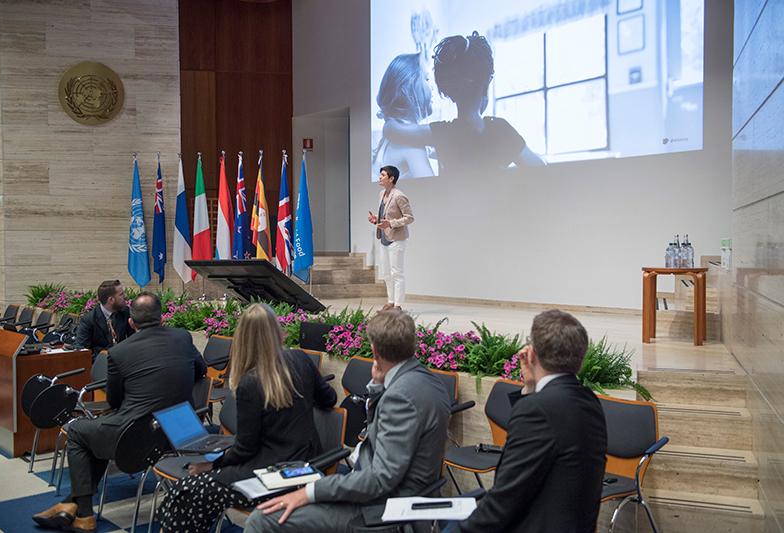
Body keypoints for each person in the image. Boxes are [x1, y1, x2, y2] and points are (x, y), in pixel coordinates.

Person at [244, 309, 451, 532]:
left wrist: (310, 491)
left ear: (375, 351)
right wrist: (377, 388)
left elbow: (379, 479)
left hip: (382, 510)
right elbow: (381, 438)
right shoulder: (430, 381)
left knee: (262, 518)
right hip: (396, 494)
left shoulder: (400, 397)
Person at [32, 292, 207, 533]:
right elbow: (200, 371)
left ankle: (83, 514)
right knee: (98, 434)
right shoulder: (182, 338)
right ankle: (71, 503)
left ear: (131, 323)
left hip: (138, 435)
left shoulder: (120, 351)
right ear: (162, 318)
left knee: (78, 431)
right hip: (181, 430)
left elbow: (114, 400)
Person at [157, 303, 338, 532]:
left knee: (186, 491)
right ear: (275, 330)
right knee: (191, 493)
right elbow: (329, 399)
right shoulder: (300, 359)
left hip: (271, 475)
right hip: (302, 464)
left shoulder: (249, 383)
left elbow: (245, 449)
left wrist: (213, 465)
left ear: (242, 338)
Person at [446, 309, 607, 533]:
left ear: (532, 355)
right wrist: (530, 388)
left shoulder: (537, 411)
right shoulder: (589, 401)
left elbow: (505, 498)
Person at [383, 31, 545, 175]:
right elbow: (541, 168)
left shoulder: (442, 134)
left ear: (446, 90)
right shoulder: (502, 130)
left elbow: (392, 131)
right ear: (487, 82)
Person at [372, 53, 435, 179]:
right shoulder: (410, 143)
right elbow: (433, 193)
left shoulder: (390, 139)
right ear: (409, 87)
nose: (432, 87)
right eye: (427, 79)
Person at [367, 165, 414, 310]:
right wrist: (377, 219)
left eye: (382, 175)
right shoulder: (382, 194)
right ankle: (390, 301)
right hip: (384, 238)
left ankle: (398, 305)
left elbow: (410, 218)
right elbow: (386, 214)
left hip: (397, 239)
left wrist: (391, 223)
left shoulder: (399, 196)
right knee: (386, 273)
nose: (379, 178)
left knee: (397, 272)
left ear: (391, 178)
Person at [74, 279, 132, 358]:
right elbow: (82, 350)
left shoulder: (125, 312)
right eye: (121, 294)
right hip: (101, 364)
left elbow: (133, 338)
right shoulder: (89, 319)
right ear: (111, 300)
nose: (125, 296)